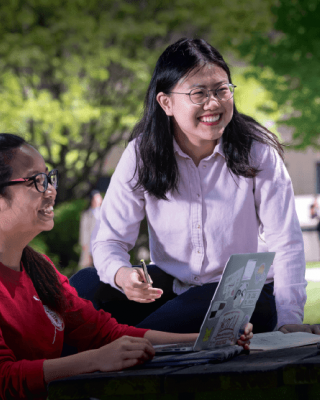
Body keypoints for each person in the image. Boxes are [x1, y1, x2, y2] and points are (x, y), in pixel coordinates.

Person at [90, 38, 319, 335]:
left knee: (209, 301)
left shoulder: (257, 153)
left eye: (222, 90)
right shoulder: (141, 154)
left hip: (245, 296)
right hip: (173, 288)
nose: (214, 103)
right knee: (85, 286)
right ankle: (120, 338)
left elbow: (285, 243)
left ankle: (119, 339)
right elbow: (108, 240)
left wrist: (289, 320)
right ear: (166, 103)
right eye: (198, 93)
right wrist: (122, 275)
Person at [0, 133, 253, 400]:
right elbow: (4, 379)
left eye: (49, 178)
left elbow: (104, 333)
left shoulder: (40, 269)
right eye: (36, 181)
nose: (51, 190)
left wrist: (204, 340)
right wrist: (94, 360)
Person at [79, 190, 103, 268]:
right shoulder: (86, 215)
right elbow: (84, 233)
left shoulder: (104, 213)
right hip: (90, 244)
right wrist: (85, 247)